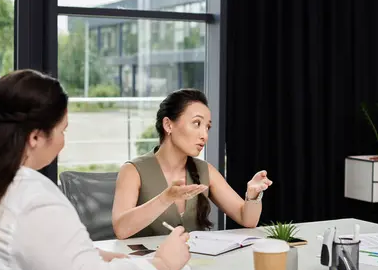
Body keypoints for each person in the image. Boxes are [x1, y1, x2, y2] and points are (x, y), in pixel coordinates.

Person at [0, 70, 191, 270]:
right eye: (62, 130)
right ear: (36, 137)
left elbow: (31, 248)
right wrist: (162, 265)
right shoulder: (30, 197)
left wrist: (99, 256)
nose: (64, 141)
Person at [112, 89, 272, 239]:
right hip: (150, 266)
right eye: (196, 123)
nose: (204, 135)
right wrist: (166, 198)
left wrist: (253, 195)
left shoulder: (205, 170)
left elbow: (247, 219)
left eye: (207, 127)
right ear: (168, 125)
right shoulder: (133, 171)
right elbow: (121, 229)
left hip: (195, 264)